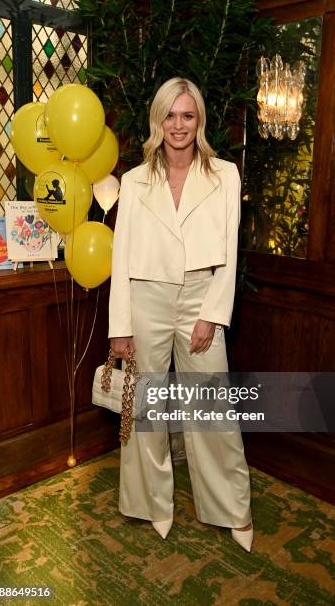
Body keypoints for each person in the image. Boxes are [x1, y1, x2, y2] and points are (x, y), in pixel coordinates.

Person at [108, 77, 253, 552]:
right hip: (146, 297)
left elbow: (229, 254)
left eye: (187, 115)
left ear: (199, 121)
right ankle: (152, 504)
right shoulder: (133, 181)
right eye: (170, 115)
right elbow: (121, 258)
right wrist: (120, 328)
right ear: (158, 120)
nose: (178, 125)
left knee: (211, 407)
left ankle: (231, 509)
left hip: (199, 297)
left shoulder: (225, 174)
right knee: (147, 409)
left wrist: (212, 313)